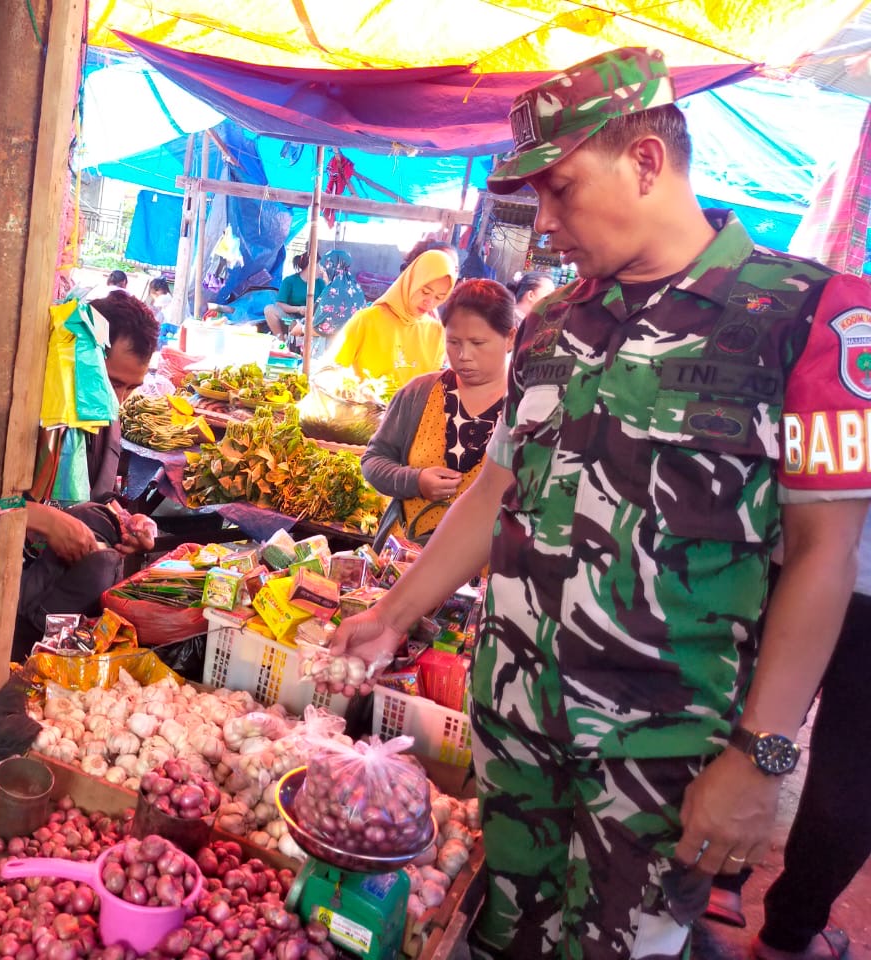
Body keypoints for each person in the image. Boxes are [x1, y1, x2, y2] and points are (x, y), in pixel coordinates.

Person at [331, 46, 871, 959]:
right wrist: (393, 613)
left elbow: (825, 555)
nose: (544, 222)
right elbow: (497, 487)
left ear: (647, 162)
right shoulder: (548, 326)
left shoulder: (809, 320)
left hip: (662, 756)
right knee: (500, 937)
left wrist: (762, 755)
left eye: (561, 190)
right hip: (515, 728)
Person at [0, 290, 159, 657]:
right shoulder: (24, 405)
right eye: (114, 382)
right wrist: (41, 520)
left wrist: (132, 523)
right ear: (85, 355)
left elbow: (99, 499)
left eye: (131, 388)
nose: (119, 400)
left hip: (61, 620)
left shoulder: (105, 419)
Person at [704, 512, 871, 959]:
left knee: (744, 720)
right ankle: (790, 934)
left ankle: (713, 877)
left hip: (791, 546)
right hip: (807, 547)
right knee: (854, 775)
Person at [362, 279, 515, 550]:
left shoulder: (526, 407)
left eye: (478, 343)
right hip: (403, 560)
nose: (464, 355)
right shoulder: (419, 393)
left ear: (510, 338)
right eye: (454, 342)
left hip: (484, 569)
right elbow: (374, 460)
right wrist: (415, 481)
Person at [329, 248, 456, 390]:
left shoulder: (436, 332)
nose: (430, 302)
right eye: (425, 291)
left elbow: (431, 386)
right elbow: (331, 371)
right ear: (411, 281)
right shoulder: (366, 320)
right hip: (364, 410)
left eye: (439, 297)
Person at [264, 253, 326, 338]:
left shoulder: (321, 283)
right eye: (319, 266)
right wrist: (298, 309)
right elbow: (280, 304)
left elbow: (325, 304)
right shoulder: (289, 281)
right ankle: (281, 340)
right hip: (291, 318)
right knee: (269, 310)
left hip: (312, 319)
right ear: (310, 266)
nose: (321, 270)